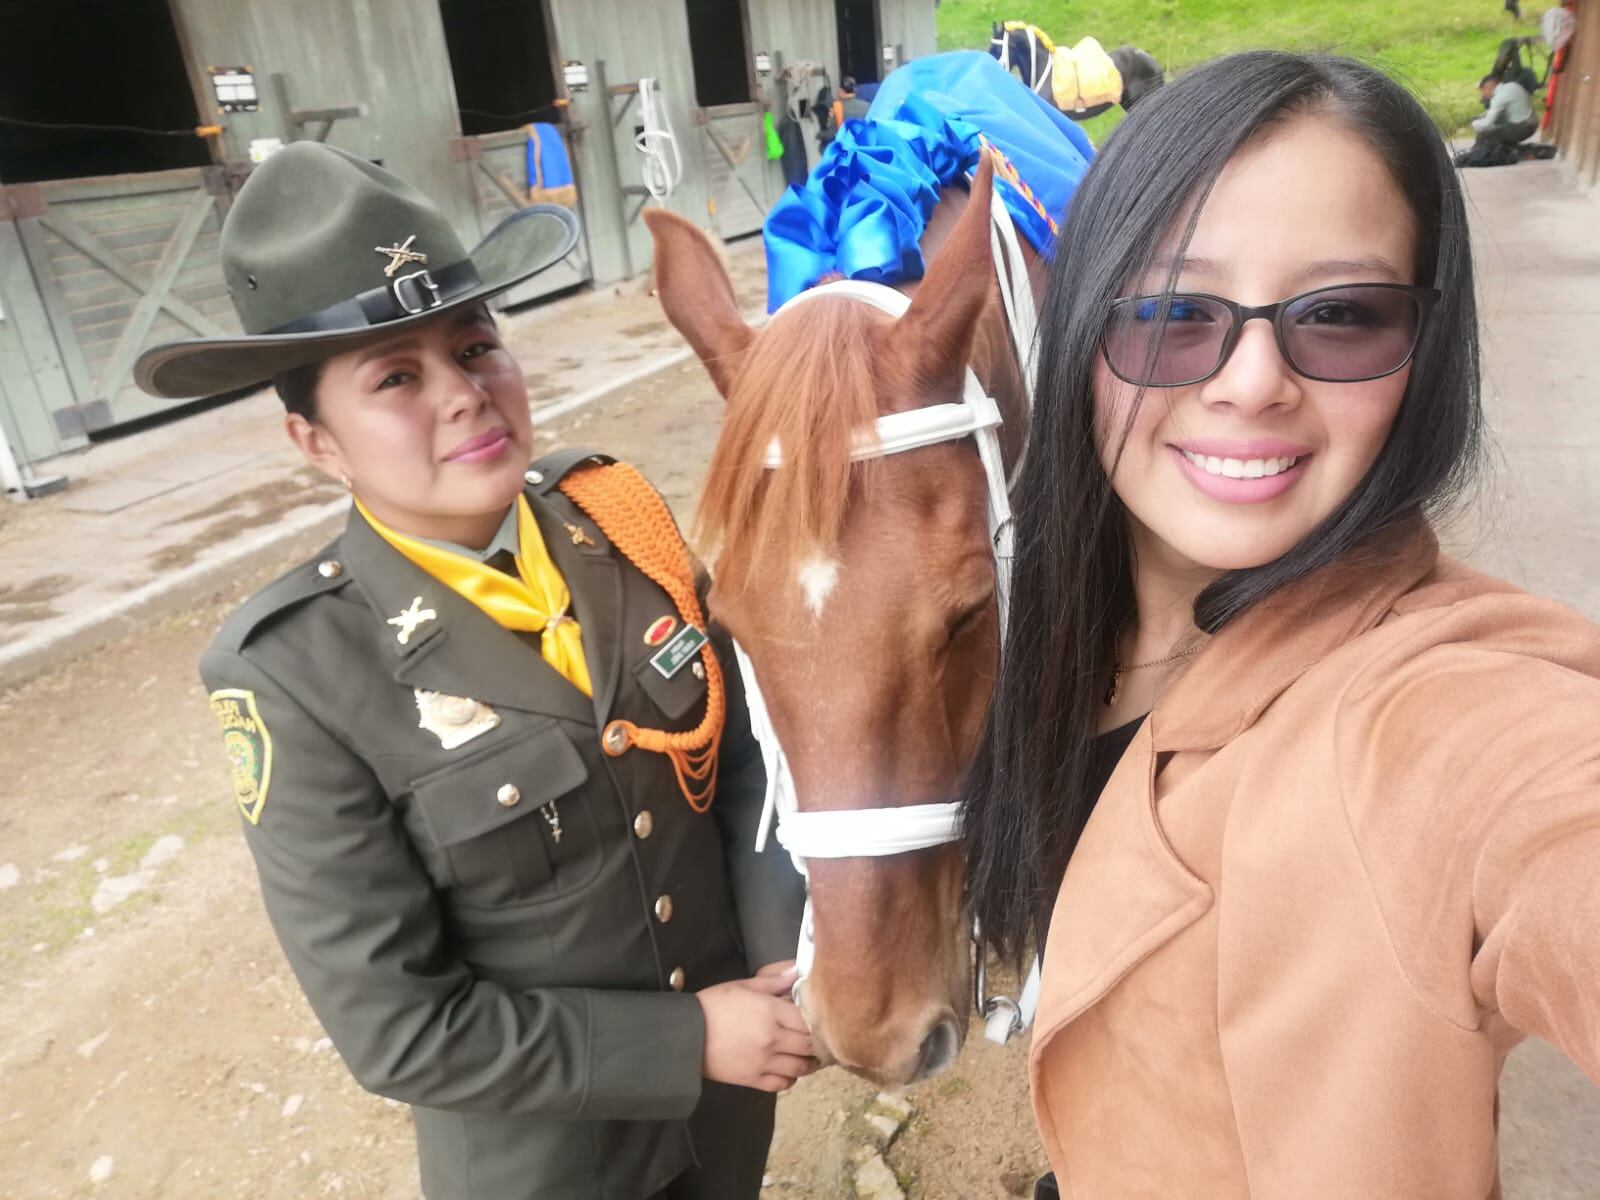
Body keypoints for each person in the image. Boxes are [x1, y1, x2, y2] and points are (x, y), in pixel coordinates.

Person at [961, 51, 1600, 1197]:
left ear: (1426, 350)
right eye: (1170, 311)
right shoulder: (1056, 618)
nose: (1251, 381)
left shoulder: (1428, 709)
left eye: (1341, 315)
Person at [132, 143, 809, 1200]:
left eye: (477, 346)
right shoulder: (298, 673)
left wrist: (780, 957)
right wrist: (689, 1040)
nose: (465, 395)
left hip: (726, 1117)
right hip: (554, 1164)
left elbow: (740, 757)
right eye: (396, 378)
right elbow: (399, 1028)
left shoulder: (616, 522)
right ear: (318, 443)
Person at [1472, 70, 1538, 149]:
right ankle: (1510, 149)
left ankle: (1476, 154)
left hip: (1522, 127)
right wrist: (1486, 114)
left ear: (1488, 87)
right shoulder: (1512, 85)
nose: (1482, 94)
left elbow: (1486, 124)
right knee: (1498, 127)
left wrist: (1474, 123)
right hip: (1532, 122)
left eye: (1482, 90)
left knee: (1484, 135)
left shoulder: (1498, 98)